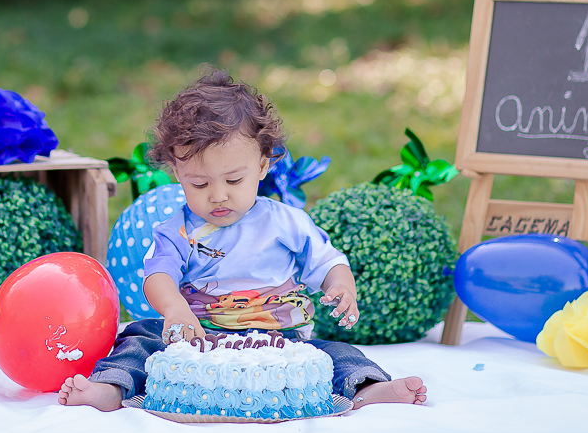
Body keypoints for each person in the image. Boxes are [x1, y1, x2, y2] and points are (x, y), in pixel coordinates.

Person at [59, 70, 427, 411]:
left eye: (234, 180)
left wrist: (341, 286)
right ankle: (109, 388)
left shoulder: (286, 222)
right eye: (199, 184)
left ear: (264, 166)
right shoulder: (176, 230)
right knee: (137, 339)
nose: (218, 196)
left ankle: (367, 390)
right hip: (194, 337)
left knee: (335, 354)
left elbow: (328, 262)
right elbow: (158, 276)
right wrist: (175, 311)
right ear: (177, 172)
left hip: (280, 341)